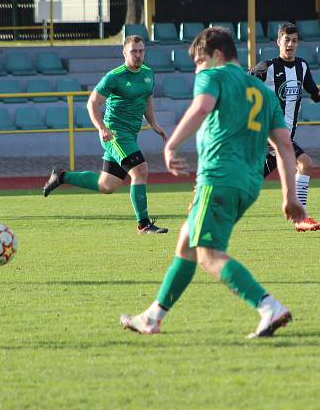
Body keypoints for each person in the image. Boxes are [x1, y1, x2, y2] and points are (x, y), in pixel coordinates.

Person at [120, 27, 306, 338]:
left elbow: (202, 106)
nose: (197, 69)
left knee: (207, 253)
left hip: (219, 177)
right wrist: (290, 196)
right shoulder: (264, 92)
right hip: (248, 185)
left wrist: (171, 145)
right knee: (186, 243)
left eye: (199, 62)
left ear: (217, 56)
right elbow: (285, 147)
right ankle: (153, 316)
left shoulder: (214, 76)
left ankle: (268, 306)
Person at [43, 35, 169, 234]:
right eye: (134, 51)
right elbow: (92, 102)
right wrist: (102, 128)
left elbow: (147, 99)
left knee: (107, 185)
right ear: (124, 53)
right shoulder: (114, 76)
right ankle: (143, 224)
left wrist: (153, 123)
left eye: (141, 51)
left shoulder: (148, 73)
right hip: (115, 134)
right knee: (140, 170)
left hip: (131, 134)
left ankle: (61, 176)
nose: (138, 55)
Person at [250, 22, 320, 232]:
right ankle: (301, 218)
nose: (290, 44)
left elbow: (313, 93)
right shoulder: (267, 67)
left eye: (294, 41)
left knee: (249, 181)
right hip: (271, 133)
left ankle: (210, 200)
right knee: (305, 163)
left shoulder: (302, 67)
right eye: (286, 40)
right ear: (278, 42)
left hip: (285, 135)